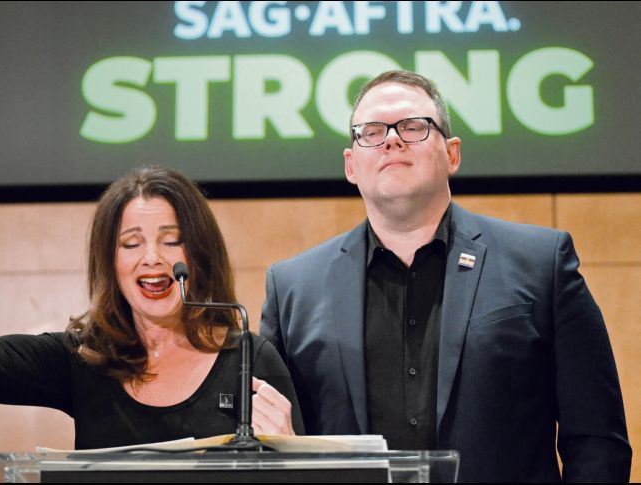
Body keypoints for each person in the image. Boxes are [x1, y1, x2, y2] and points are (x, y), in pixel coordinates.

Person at [260, 70, 631, 481]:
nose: (391, 139)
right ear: (351, 165)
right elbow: (270, 443)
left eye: (413, 126)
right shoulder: (293, 287)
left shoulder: (543, 263)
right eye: (370, 131)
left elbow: (597, 439)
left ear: (452, 154)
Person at [0, 155, 303, 449]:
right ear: (111, 263)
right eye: (131, 243)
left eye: (171, 240)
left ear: (199, 255)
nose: (152, 257)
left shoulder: (249, 360)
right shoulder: (85, 358)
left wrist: (292, 453)